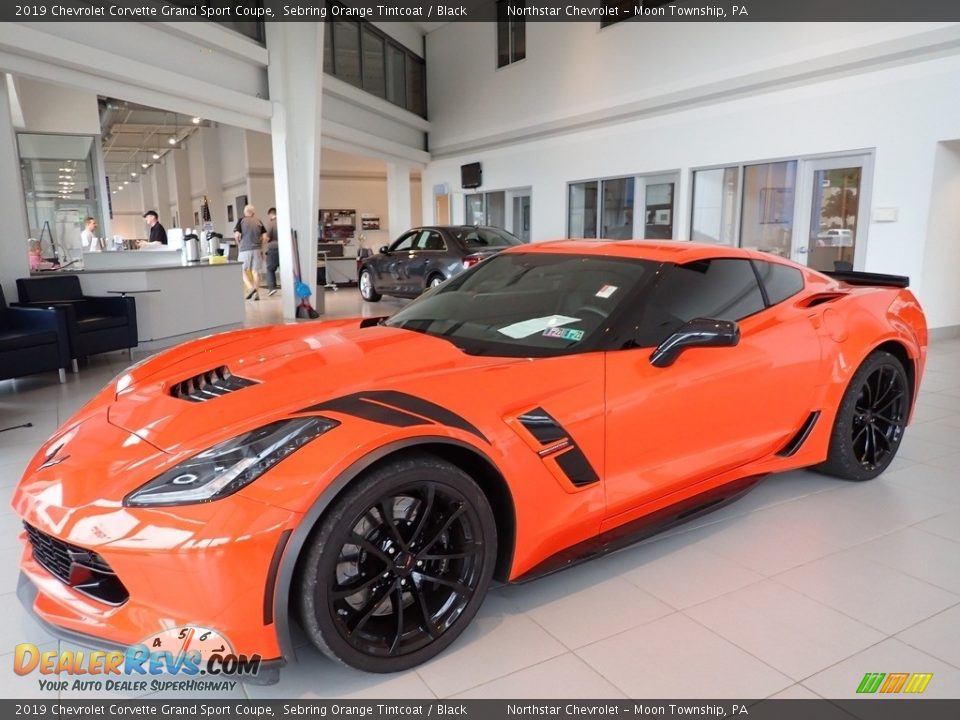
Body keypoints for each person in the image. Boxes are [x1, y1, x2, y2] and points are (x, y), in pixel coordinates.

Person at [234, 204, 269, 300]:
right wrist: (261, 247)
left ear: (245, 212)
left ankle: (250, 288)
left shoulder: (241, 221)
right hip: (257, 249)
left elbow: (236, 235)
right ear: (253, 213)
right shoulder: (259, 221)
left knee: (241, 270)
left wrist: (239, 245)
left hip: (244, 249)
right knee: (255, 272)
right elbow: (265, 237)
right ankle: (256, 294)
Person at [265, 207, 280, 296]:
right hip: (285, 247)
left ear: (271, 214)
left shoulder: (271, 223)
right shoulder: (284, 221)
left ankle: (272, 288)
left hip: (273, 248)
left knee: (270, 269)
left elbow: (267, 237)